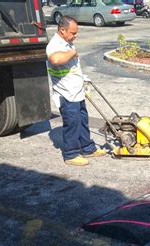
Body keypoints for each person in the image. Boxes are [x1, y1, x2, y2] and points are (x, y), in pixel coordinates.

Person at [46, 16, 106, 166]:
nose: (75, 36)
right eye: (73, 33)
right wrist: (72, 53)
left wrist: (83, 78)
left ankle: (88, 148)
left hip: (77, 91)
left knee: (83, 121)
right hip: (66, 94)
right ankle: (71, 154)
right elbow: (55, 60)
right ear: (62, 30)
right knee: (72, 123)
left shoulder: (68, 43)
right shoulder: (54, 44)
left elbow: (71, 68)